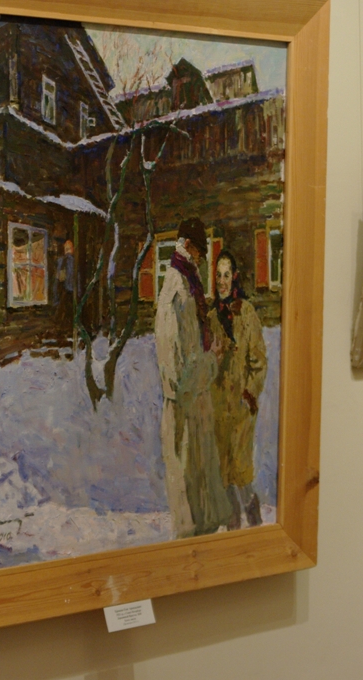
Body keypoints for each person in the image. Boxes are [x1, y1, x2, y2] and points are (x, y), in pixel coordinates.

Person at [154, 218, 231, 538]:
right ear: (187, 246)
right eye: (198, 251)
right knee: (189, 490)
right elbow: (177, 365)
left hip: (194, 398)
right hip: (184, 403)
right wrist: (211, 361)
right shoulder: (178, 288)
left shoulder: (188, 282)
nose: (200, 258)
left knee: (200, 484)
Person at [208, 250, 268, 529]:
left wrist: (249, 394)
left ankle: (255, 524)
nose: (222, 281)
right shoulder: (211, 317)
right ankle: (233, 531)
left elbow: (259, 361)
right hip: (218, 409)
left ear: (234, 277)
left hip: (242, 410)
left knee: (241, 473)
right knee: (223, 475)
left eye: (226, 275)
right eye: (218, 275)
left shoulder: (247, 313)